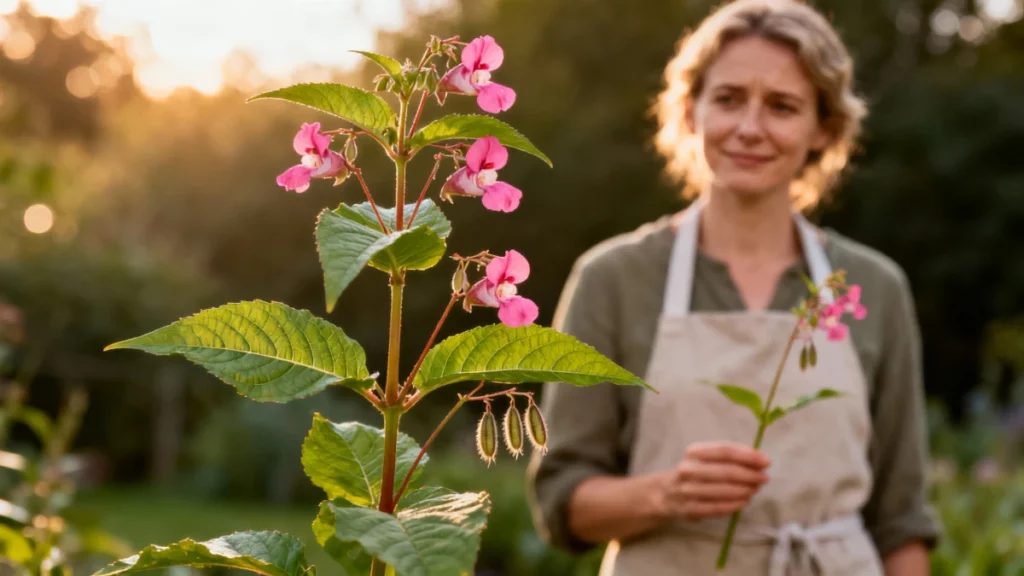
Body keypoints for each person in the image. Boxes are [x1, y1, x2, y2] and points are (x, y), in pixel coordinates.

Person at [527, 1, 941, 574]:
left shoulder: (875, 286)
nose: (749, 128)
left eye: (782, 106)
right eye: (727, 99)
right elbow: (561, 501)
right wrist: (664, 495)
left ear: (823, 128)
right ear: (692, 111)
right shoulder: (613, 279)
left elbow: (901, 522)